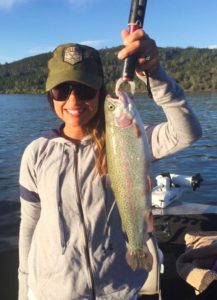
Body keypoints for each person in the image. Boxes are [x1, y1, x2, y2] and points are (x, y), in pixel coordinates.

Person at [18, 28, 202, 300]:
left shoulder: (127, 136)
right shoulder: (36, 153)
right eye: (62, 90)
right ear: (49, 94)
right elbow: (29, 227)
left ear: (100, 92)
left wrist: (156, 75)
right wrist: (25, 288)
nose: (73, 100)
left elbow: (187, 133)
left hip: (116, 291)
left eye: (84, 89)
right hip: (50, 292)